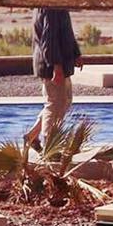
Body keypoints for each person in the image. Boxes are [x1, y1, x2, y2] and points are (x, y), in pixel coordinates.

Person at [24, 8, 83, 150]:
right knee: (55, 104)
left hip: (60, 64)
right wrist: (56, 66)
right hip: (53, 66)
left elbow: (66, 33)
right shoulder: (51, 8)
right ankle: (50, 146)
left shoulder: (59, 7)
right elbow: (49, 40)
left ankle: (32, 137)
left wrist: (76, 54)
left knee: (63, 102)